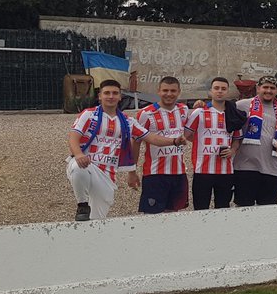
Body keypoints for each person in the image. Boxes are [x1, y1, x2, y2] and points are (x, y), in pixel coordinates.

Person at [66, 79, 181, 221]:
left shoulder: (127, 121)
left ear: (120, 96)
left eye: (115, 93)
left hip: (107, 174)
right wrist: (78, 154)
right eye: (107, 93)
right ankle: (82, 204)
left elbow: (151, 137)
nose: (111, 96)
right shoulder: (89, 114)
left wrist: (174, 141)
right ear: (100, 96)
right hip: (88, 164)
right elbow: (73, 136)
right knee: (78, 168)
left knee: (97, 220)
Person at [129, 76, 191, 214]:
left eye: (173, 91)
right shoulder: (146, 113)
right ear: (158, 91)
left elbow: (190, 132)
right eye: (165, 90)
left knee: (174, 216)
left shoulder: (183, 110)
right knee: (152, 217)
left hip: (179, 173)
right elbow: (136, 142)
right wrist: (132, 171)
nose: (169, 94)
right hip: (155, 174)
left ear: (179, 92)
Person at [184, 77, 241, 210]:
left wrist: (232, 150)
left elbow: (237, 139)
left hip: (226, 170)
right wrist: (198, 141)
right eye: (216, 88)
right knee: (200, 209)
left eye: (223, 89)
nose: (219, 91)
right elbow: (186, 135)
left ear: (227, 92)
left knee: (223, 209)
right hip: (202, 170)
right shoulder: (199, 112)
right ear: (210, 91)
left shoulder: (233, 114)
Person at [234, 75, 277, 206]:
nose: (269, 91)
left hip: (272, 169)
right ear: (258, 88)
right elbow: (221, 110)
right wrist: (204, 105)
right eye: (265, 87)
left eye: (272, 88)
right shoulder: (242, 105)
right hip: (245, 167)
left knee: (268, 211)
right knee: (243, 209)